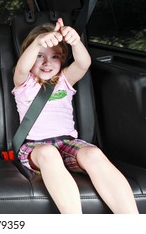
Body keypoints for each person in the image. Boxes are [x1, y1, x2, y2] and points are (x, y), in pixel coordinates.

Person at [12, 18, 138, 214]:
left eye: (55, 57)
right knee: (48, 153)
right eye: (39, 56)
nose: (47, 63)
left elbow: (83, 62)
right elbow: (21, 67)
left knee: (93, 154)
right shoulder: (23, 83)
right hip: (36, 147)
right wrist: (38, 41)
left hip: (68, 143)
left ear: (62, 59)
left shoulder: (64, 79)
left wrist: (75, 41)